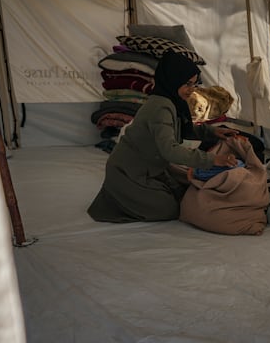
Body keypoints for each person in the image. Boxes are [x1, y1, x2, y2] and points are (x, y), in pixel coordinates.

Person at [87, 51, 239, 222]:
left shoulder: (170, 100)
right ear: (174, 79)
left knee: (181, 193)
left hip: (148, 168)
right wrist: (213, 160)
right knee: (169, 210)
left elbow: (180, 128)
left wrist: (212, 132)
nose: (191, 90)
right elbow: (170, 151)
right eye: (187, 84)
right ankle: (120, 200)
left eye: (194, 85)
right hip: (127, 173)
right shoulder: (161, 106)